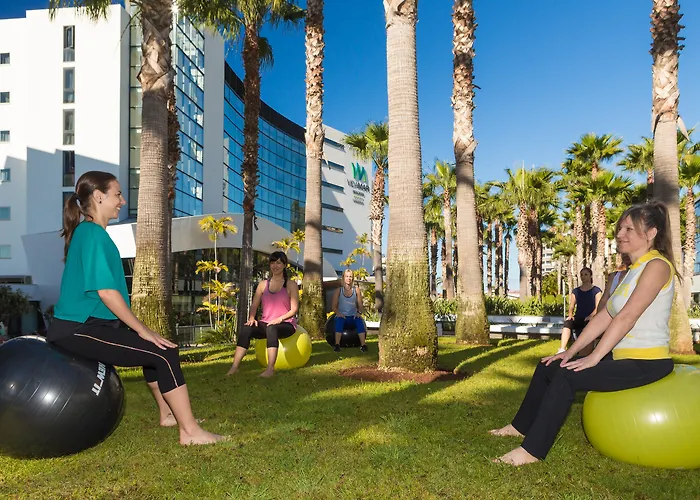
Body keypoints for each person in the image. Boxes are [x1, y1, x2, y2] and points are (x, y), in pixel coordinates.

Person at [489, 202, 676, 466]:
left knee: (567, 376)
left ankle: (531, 451)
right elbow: (604, 316)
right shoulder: (631, 271)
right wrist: (570, 352)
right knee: (549, 366)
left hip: (648, 362)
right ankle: (520, 427)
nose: (620, 234)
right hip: (623, 358)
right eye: (620, 228)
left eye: (628, 229)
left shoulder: (657, 266)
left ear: (651, 233)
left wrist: (595, 357)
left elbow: (627, 316)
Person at [48, 171, 224, 446]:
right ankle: (190, 432)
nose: (122, 200)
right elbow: (107, 292)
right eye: (117, 194)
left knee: (155, 349)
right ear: (99, 196)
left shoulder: (91, 233)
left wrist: (143, 332)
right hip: (77, 329)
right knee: (163, 352)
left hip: (88, 325)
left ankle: (168, 415)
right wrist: (142, 330)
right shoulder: (92, 234)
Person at [226, 251, 299, 378]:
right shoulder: (262, 285)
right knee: (247, 328)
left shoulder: (291, 284)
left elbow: (294, 310)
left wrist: (279, 319)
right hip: (266, 322)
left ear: (284, 265)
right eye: (272, 263)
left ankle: (270, 369)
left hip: (286, 324)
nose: (275, 266)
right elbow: (254, 304)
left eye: (278, 263)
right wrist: (251, 318)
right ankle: (234, 367)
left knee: (272, 328)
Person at [557, 267, 602, 354]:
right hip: (579, 317)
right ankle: (562, 349)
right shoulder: (576, 291)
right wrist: (570, 315)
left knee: (588, 326)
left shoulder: (596, 291)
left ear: (590, 276)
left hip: (591, 319)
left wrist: (591, 316)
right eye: (581, 275)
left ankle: (586, 350)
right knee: (567, 323)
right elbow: (571, 306)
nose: (583, 277)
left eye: (585, 275)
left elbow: (598, 307)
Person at [331, 269, 367, 353]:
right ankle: (337, 345)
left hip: (352, 317)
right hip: (342, 317)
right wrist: (338, 313)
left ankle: (363, 345)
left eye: (350, 276)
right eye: (347, 276)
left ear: (353, 278)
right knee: (339, 321)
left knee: (359, 321)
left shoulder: (356, 290)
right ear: (343, 278)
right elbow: (333, 306)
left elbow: (360, 305)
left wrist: (359, 313)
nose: (348, 278)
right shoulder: (339, 290)